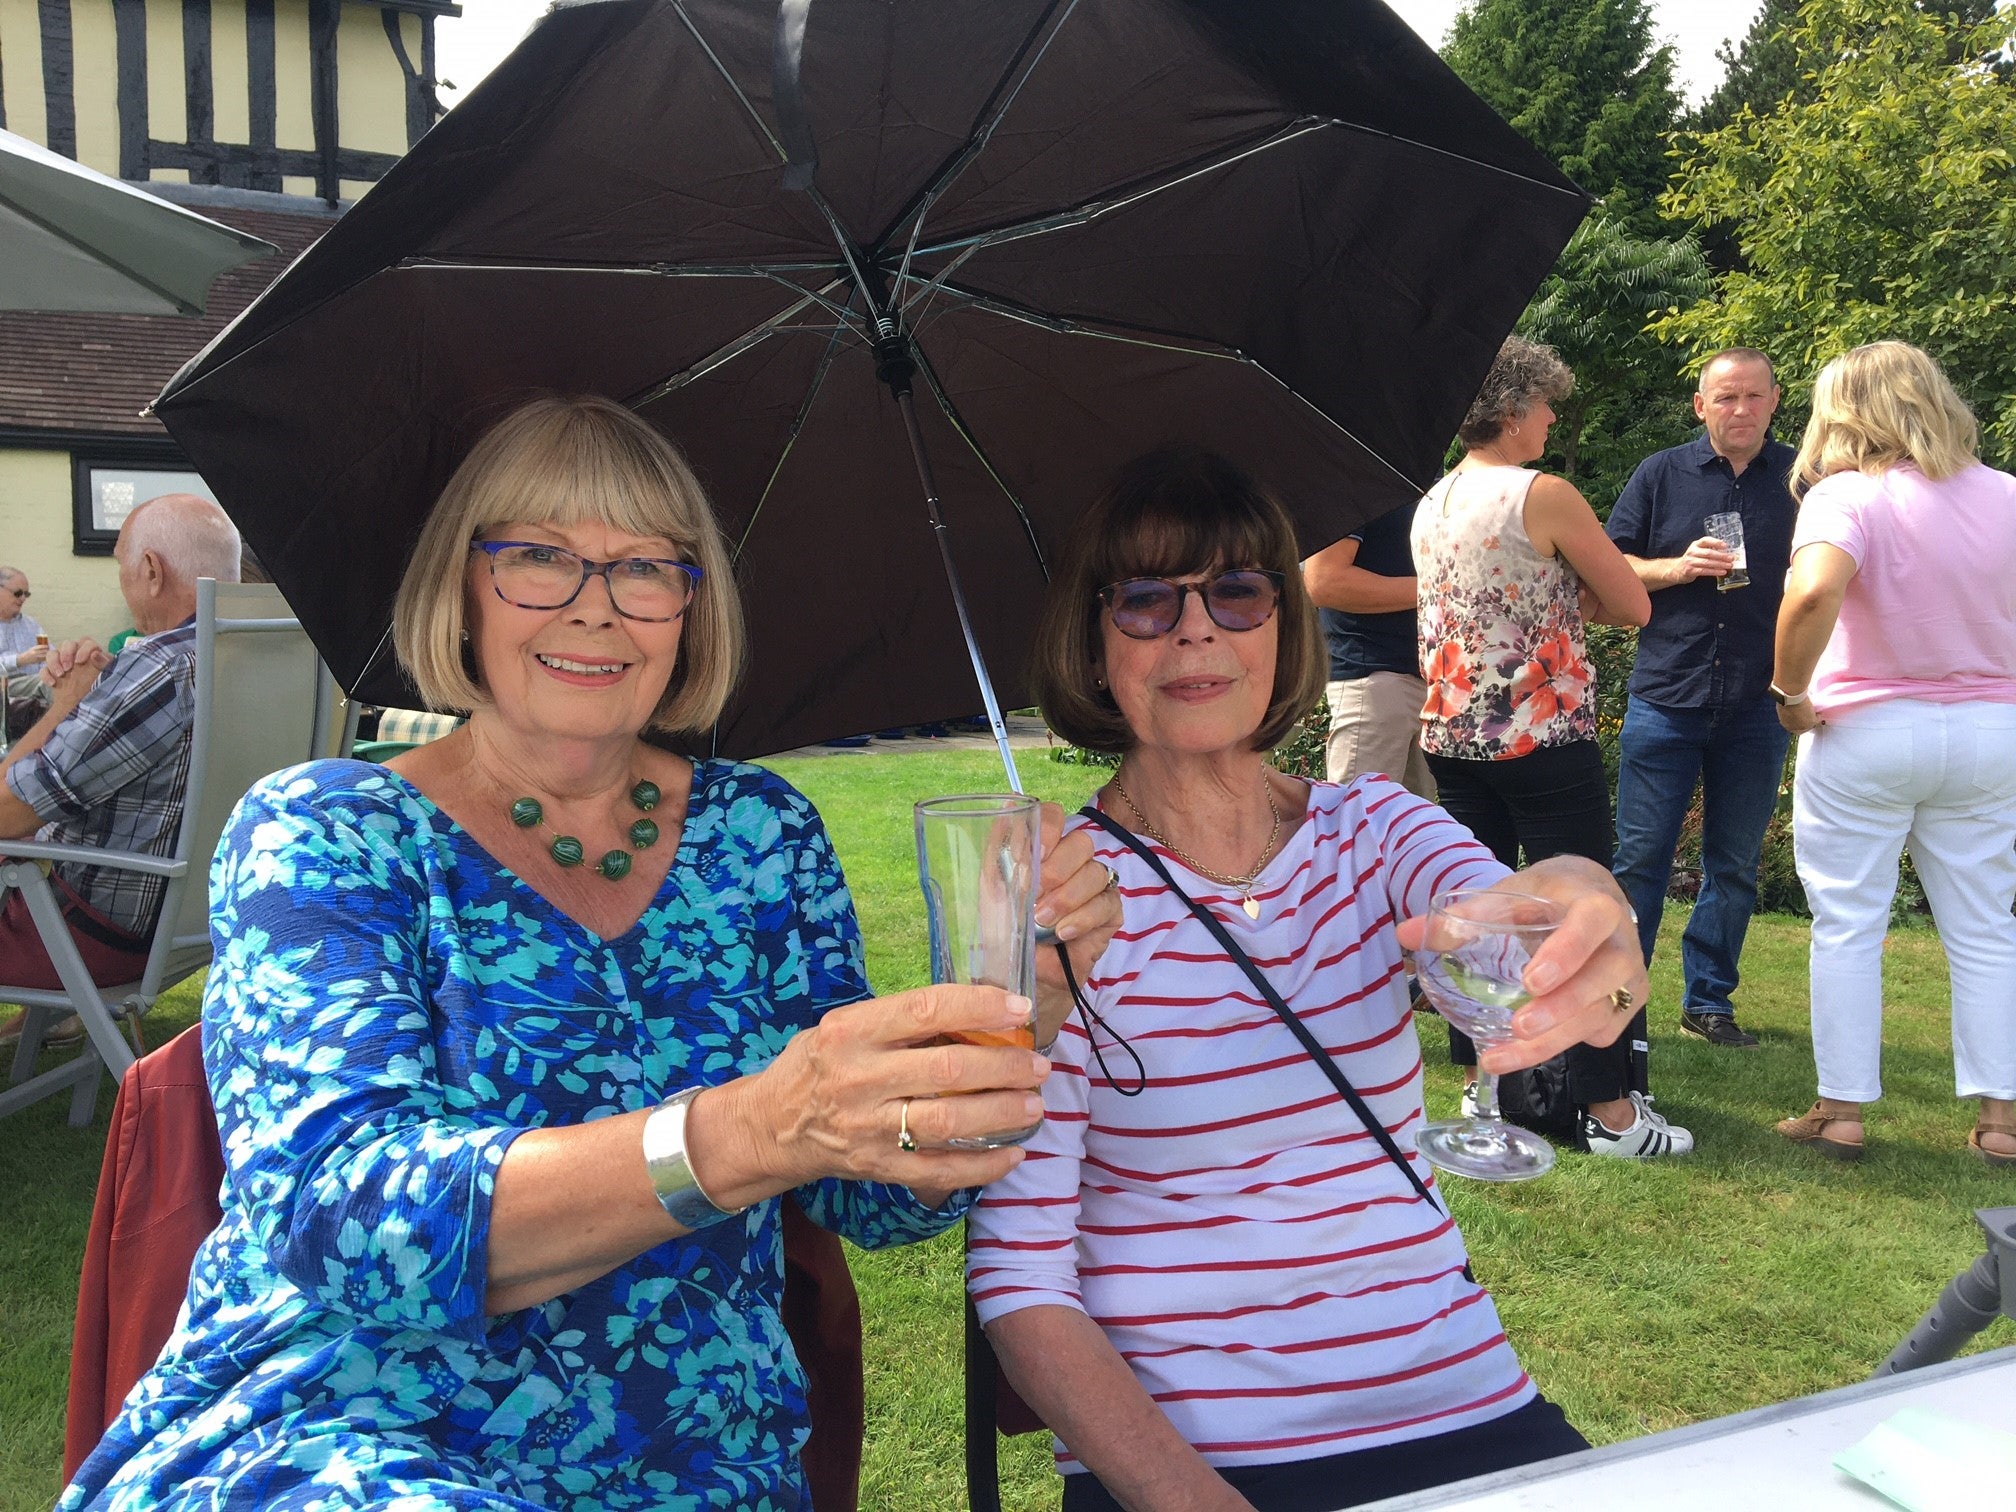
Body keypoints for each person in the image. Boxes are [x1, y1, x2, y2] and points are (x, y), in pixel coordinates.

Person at [60, 395, 1121, 1511]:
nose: (595, 608)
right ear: (461, 588)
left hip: (696, 1457)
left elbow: (874, 1204)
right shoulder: (329, 834)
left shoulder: (757, 836)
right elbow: (345, 1220)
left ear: (689, 609)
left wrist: (1021, 1006)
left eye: (646, 569)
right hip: (346, 1431)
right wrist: (750, 1129)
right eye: (539, 558)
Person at [968, 446, 1652, 1512]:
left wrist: (1590, 907)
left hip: (1465, 1397)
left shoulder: (1375, 831)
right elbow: (1020, 1283)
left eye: (1238, 592)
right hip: (1191, 1453)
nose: (1197, 629)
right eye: (1146, 600)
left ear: (1284, 626)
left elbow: (1519, 923)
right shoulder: (1054, 900)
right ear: (1095, 647)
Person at [1409, 338, 1683, 1159]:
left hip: (1454, 731)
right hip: (1538, 731)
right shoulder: (1546, 493)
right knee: (1590, 915)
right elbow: (1632, 603)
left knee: (1479, 913)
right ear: (1517, 407)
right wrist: (1569, 609)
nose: (1554, 418)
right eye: (1547, 404)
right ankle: (1609, 1113)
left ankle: (1484, 1085)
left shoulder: (1434, 499)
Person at [1768, 343, 2016, 1168]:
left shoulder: (1847, 496)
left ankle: (1841, 1111)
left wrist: (1790, 692)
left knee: (1848, 923)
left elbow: (1811, 591)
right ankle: (2001, 1119)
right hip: (1990, 732)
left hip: (1867, 727)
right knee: (1986, 927)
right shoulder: (2006, 494)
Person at [1605, 350, 1797, 1050]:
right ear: (1699, 404)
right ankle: (1618, 1002)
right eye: (1725, 398)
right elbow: (1607, 564)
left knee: (1734, 865)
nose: (1739, 410)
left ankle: (1707, 1003)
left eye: (1752, 397)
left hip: (1758, 699)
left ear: (1775, 400)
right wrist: (1676, 566)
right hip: (1668, 693)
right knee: (1640, 861)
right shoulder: (1660, 474)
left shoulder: (1806, 480)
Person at [0, 498, 242, 1046]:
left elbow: (5, 813)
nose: (122, 583)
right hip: (195, 922)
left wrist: (67, 703)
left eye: (120, 565)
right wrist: (101, 696)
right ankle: (49, 1023)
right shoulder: (254, 652)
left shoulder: (161, 668)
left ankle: (53, 1013)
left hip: (90, 935)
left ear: (152, 570)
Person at [1304, 500, 1433, 797]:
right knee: (1355, 831)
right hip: (1374, 682)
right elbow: (1324, 582)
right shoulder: (1352, 478)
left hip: (1422, 682)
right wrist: (1438, 588)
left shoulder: (1419, 473)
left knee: (1412, 838)